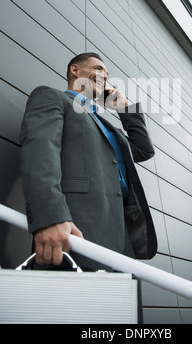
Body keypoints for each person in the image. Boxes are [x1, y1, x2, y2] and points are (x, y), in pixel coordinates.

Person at [20, 52, 157, 271]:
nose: (105, 76)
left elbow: (144, 150)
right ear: (76, 70)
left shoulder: (108, 127)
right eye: (99, 69)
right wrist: (50, 217)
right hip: (76, 230)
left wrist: (125, 107)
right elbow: (40, 155)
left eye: (108, 74)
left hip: (122, 240)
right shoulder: (52, 97)